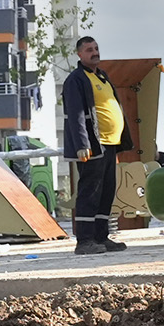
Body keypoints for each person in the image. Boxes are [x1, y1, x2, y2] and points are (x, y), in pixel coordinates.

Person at [60, 36, 129, 255]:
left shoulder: (102, 76)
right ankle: (85, 240)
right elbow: (75, 114)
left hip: (110, 145)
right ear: (79, 54)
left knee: (106, 192)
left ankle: (101, 237)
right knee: (90, 192)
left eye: (96, 48)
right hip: (93, 146)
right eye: (89, 49)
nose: (94, 52)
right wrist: (82, 143)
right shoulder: (76, 79)